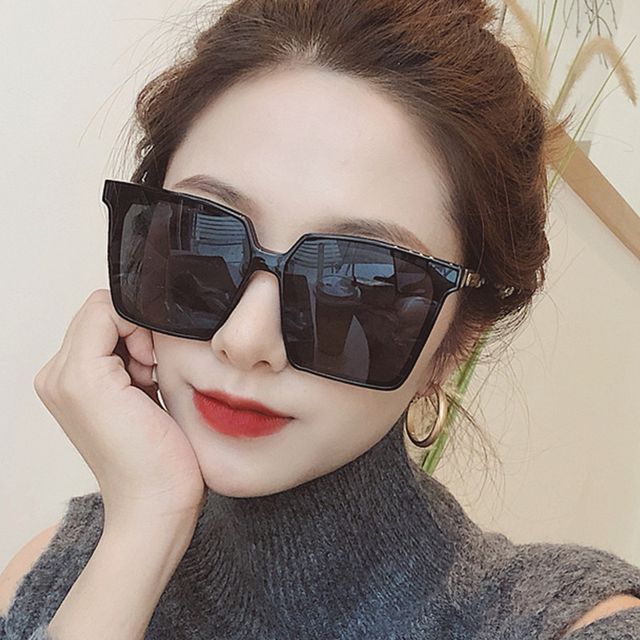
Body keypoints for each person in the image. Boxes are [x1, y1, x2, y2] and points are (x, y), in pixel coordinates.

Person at [2, 0, 640, 638]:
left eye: (352, 284)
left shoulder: (562, 626)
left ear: (456, 340)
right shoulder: (61, 569)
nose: (245, 339)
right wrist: (144, 524)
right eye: (204, 240)